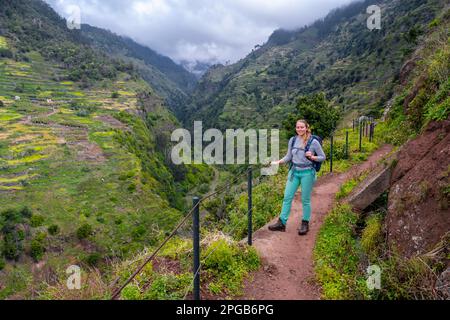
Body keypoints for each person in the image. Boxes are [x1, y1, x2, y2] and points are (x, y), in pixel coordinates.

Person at [268, 119, 326, 235]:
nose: (299, 129)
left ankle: (305, 223)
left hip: (307, 173)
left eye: (302, 127)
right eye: (298, 127)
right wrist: (278, 162)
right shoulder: (293, 140)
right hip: (294, 172)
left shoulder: (313, 142)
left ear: (306, 128)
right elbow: (289, 156)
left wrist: (313, 157)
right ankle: (282, 223)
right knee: (287, 197)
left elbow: (323, 157)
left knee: (305, 200)